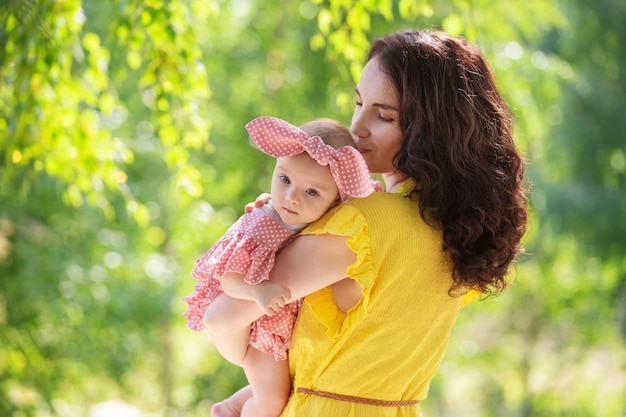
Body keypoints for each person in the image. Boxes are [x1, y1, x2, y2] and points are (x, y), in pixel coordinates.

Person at [204, 29, 528, 417]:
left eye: (383, 115)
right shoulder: (455, 232)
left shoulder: (362, 223)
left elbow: (221, 317)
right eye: (359, 103)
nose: (357, 126)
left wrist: (267, 230)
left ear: (432, 130)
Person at [183, 116, 378, 417]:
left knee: (291, 385)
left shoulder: (324, 218)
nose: (291, 198)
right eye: (284, 180)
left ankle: (231, 407)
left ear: (337, 199)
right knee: (272, 401)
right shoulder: (260, 224)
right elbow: (227, 278)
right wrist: (257, 291)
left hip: (287, 325)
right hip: (261, 330)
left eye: (312, 192)